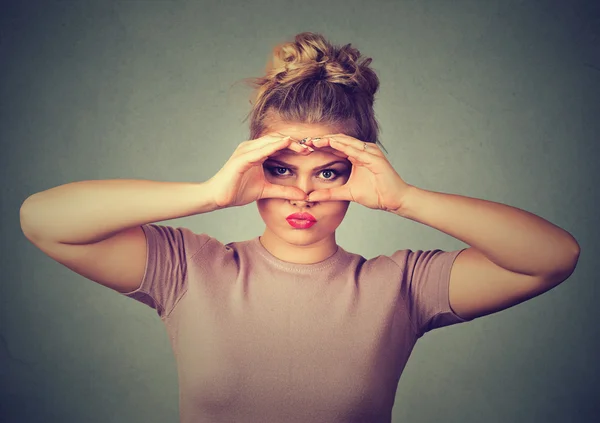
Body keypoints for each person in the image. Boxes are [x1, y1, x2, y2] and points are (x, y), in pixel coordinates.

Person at [20, 32, 580, 423]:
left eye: (328, 172)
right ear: (254, 169)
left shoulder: (402, 287)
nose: (303, 192)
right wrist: (208, 194)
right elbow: (42, 221)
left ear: (356, 175)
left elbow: (553, 257)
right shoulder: (188, 269)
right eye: (281, 169)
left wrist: (406, 199)